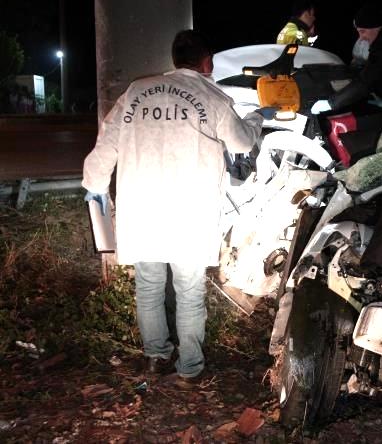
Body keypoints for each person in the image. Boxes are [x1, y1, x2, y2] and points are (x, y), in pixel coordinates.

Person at [82, 30, 263, 385]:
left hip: (143, 209)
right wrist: (257, 119)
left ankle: (155, 357)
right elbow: (241, 142)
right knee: (189, 291)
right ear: (207, 61)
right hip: (189, 211)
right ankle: (190, 368)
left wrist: (95, 189)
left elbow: (105, 146)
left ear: (174, 58)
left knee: (148, 288)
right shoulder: (211, 95)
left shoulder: (136, 92)